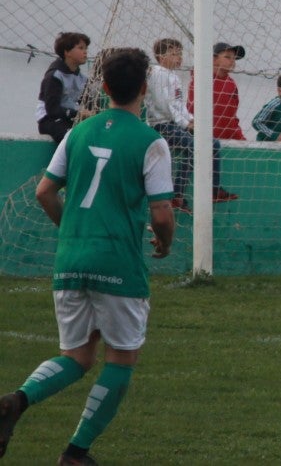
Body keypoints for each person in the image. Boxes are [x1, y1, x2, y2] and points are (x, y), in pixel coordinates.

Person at [0, 47, 176, 466]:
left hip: (71, 259)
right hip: (118, 261)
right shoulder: (151, 142)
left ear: (105, 87)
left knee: (77, 356)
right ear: (145, 88)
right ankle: (76, 454)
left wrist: (73, 232)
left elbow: (45, 192)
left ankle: (16, 401)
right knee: (122, 356)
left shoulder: (77, 133)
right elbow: (161, 212)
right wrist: (165, 242)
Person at [145, 38, 236, 210]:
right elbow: (165, 105)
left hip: (175, 124)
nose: (179, 57)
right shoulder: (158, 74)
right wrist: (185, 124)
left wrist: (192, 120)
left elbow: (179, 105)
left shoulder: (173, 76)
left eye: (180, 54)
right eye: (174, 54)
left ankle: (214, 190)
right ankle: (177, 195)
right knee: (194, 147)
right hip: (162, 125)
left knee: (213, 144)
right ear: (161, 57)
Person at [36, 32, 91, 144]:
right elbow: (52, 110)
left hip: (70, 119)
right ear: (67, 52)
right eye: (81, 48)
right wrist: (78, 113)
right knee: (72, 139)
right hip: (50, 120)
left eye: (86, 48)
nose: (85, 52)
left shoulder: (82, 78)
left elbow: (84, 102)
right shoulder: (55, 76)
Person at [188, 42, 247, 142]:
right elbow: (192, 110)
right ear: (213, 59)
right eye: (227, 57)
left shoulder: (231, 84)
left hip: (227, 139)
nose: (232, 61)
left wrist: (240, 138)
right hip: (203, 140)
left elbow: (232, 116)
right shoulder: (201, 80)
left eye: (234, 58)